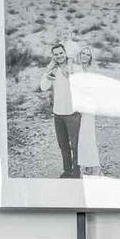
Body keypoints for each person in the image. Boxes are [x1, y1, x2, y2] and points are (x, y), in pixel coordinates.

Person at [38, 40, 81, 178]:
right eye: (56, 54)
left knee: (75, 144)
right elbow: (43, 87)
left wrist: (70, 73)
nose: (59, 56)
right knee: (63, 145)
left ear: (65, 53)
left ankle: (76, 170)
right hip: (58, 113)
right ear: (53, 56)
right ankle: (67, 170)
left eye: (61, 53)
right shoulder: (53, 70)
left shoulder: (74, 67)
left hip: (72, 113)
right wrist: (47, 73)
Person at [72, 49, 102, 175]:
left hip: (89, 105)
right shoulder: (74, 68)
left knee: (88, 135)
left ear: (90, 57)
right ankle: (83, 165)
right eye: (83, 53)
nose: (85, 56)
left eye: (88, 54)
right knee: (77, 136)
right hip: (76, 106)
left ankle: (93, 165)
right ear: (79, 55)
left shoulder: (94, 70)